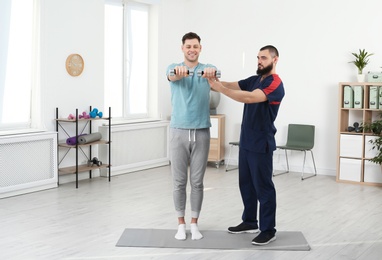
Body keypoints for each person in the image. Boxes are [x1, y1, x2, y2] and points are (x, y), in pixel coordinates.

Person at [207, 45, 285, 245]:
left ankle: (268, 230)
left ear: (275, 60)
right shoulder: (254, 79)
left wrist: (220, 89)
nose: (259, 61)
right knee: (246, 184)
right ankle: (250, 221)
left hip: (261, 142)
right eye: (258, 57)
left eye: (264, 58)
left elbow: (250, 98)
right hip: (247, 141)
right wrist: (211, 81)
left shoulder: (275, 83)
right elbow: (232, 85)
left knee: (264, 188)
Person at [166, 32, 217, 240]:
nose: (192, 49)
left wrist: (212, 74)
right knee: (179, 182)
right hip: (178, 131)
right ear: (182, 48)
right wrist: (180, 72)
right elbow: (173, 76)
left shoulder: (207, 69)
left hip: (202, 131)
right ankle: (181, 224)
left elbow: (215, 76)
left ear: (200, 48)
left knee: (197, 182)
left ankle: (194, 224)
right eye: (188, 46)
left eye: (195, 46)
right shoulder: (173, 68)